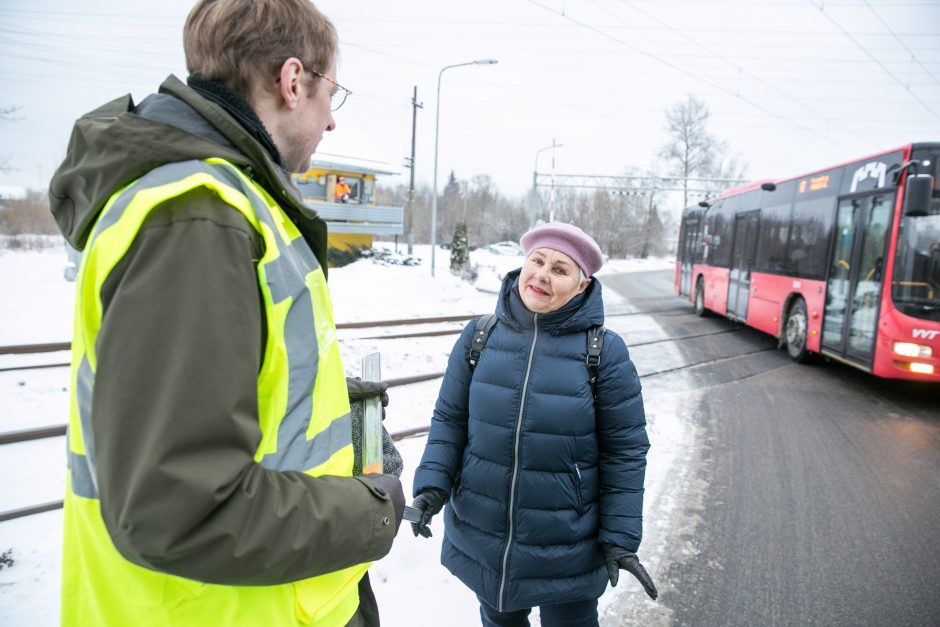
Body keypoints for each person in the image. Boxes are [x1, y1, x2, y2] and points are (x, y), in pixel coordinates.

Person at [48, 1, 404, 625]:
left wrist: (333, 416)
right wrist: (370, 509)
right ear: (293, 82)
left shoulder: (229, 202)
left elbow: (221, 390)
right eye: (332, 95)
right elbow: (180, 508)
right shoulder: (199, 217)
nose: (331, 124)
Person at [411, 222, 657, 627]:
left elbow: (626, 451)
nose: (543, 274)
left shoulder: (603, 352)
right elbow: (449, 420)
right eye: (537, 261)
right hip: (485, 536)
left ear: (581, 286)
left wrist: (620, 536)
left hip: (566, 543)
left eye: (561, 269)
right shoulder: (480, 336)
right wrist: (431, 488)